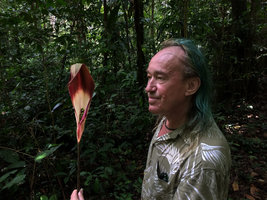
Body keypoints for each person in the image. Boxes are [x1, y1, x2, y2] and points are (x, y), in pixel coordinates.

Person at [71, 38, 231, 200]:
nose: (148, 88)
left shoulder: (202, 162)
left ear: (190, 86)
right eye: (149, 76)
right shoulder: (168, 117)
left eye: (160, 78)